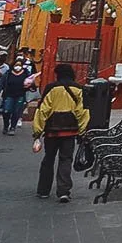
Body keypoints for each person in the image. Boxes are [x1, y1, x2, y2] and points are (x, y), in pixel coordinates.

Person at [32, 63, 90, 202]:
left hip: (52, 131)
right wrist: (82, 131)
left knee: (48, 159)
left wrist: (37, 132)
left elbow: (43, 110)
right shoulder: (79, 89)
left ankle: (43, 190)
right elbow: (82, 112)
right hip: (70, 132)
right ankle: (64, 191)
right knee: (66, 160)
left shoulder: (51, 88)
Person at [0, 58, 32, 135]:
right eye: (16, 65)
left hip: (20, 95)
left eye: (20, 65)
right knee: (6, 111)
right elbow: (1, 83)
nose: (18, 67)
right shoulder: (8, 73)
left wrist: (29, 85)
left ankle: (12, 127)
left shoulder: (26, 73)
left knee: (16, 112)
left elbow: (31, 83)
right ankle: (6, 125)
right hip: (8, 95)